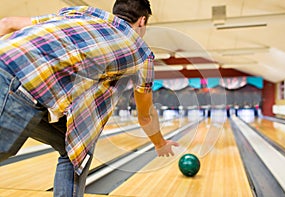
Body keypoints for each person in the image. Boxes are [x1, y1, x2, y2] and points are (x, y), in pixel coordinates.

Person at [0, 0, 179, 196]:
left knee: (75, 149)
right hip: (16, 86)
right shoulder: (142, 53)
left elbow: (7, 23)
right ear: (142, 21)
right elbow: (145, 116)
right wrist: (160, 143)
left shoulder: (81, 13)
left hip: (15, 77)